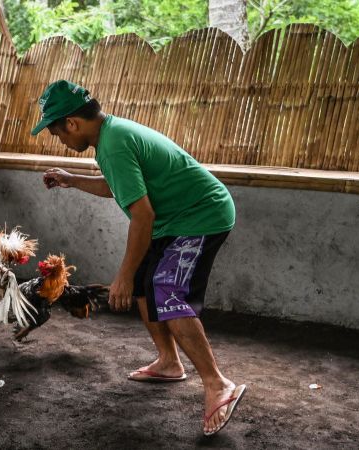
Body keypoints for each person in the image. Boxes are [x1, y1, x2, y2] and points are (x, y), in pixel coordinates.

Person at [35, 80, 246, 436]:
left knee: (166, 290)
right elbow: (117, 186)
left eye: (57, 133)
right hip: (175, 219)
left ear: (72, 123)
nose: (61, 141)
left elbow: (143, 216)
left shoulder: (114, 143)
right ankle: (168, 362)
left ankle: (217, 383)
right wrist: (73, 180)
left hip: (201, 216)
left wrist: (123, 274)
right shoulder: (110, 137)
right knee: (147, 287)